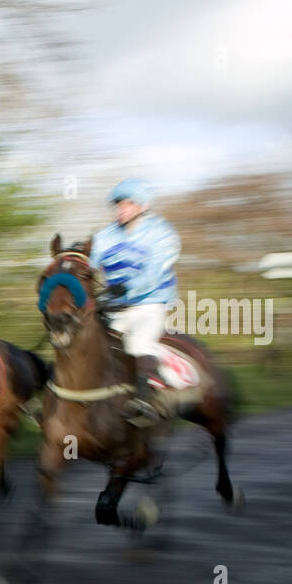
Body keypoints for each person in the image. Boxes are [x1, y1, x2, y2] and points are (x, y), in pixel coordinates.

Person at [89, 178, 181, 426]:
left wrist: (124, 290)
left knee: (138, 343)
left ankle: (145, 401)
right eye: (118, 205)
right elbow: (88, 261)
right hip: (116, 305)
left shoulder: (161, 233)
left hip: (151, 303)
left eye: (127, 204)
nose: (121, 210)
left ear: (142, 206)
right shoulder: (106, 235)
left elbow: (154, 273)